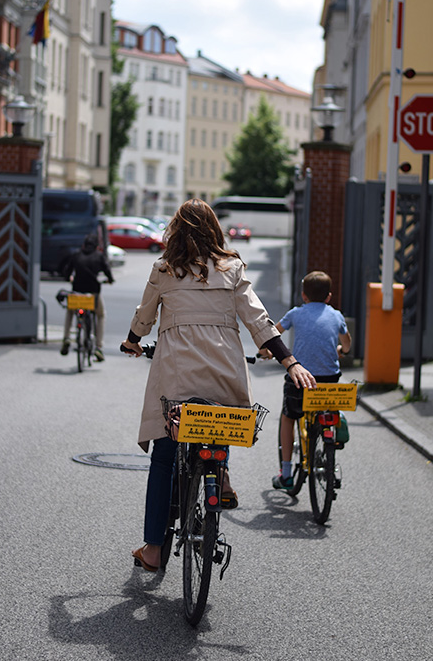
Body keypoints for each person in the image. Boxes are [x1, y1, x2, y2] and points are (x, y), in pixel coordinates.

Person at [119, 199, 316, 572]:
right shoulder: (232, 269)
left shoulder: (164, 269)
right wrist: (290, 361)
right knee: (217, 425)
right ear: (214, 230)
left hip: (176, 373)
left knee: (164, 458)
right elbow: (258, 319)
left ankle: (153, 550)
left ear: (175, 230)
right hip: (225, 371)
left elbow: (143, 318)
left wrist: (132, 341)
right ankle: (220, 471)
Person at [262, 270, 351, 490]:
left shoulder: (295, 314)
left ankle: (286, 473)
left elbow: (275, 333)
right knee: (327, 411)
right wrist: (343, 350)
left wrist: (267, 351)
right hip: (329, 381)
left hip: (300, 379)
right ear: (329, 297)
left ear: (304, 296)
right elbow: (346, 342)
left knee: (288, 417)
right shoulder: (336, 315)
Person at [59, 232, 114, 360]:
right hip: (93, 293)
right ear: (96, 246)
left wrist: (70, 278)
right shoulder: (99, 256)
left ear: (84, 245)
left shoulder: (76, 255)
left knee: (70, 312)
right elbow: (107, 270)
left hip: (77, 291)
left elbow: (67, 272)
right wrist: (110, 279)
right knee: (101, 315)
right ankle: (99, 347)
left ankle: (66, 338)